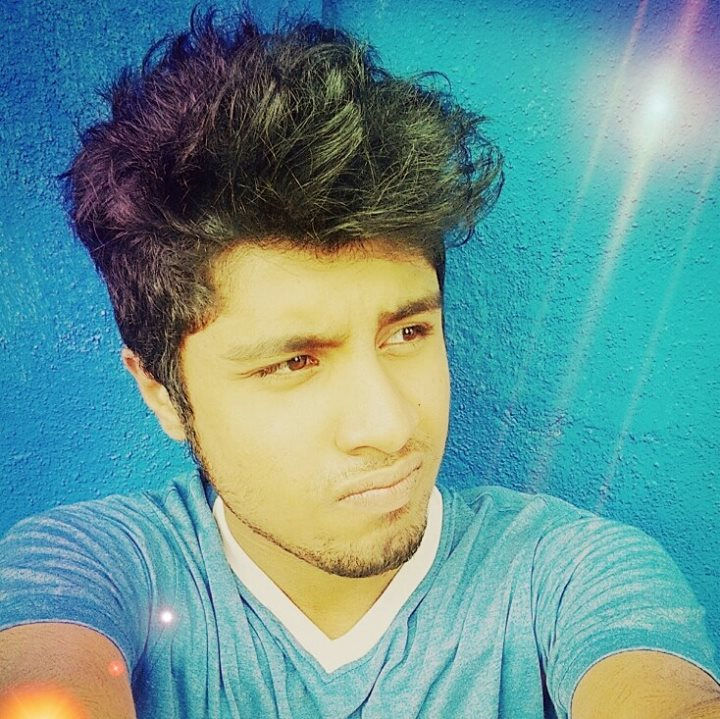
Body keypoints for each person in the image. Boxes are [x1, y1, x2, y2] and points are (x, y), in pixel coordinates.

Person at [0, 9, 718, 719]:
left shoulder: (572, 573)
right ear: (161, 393)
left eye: (408, 331)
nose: (389, 427)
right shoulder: (85, 565)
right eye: (293, 362)